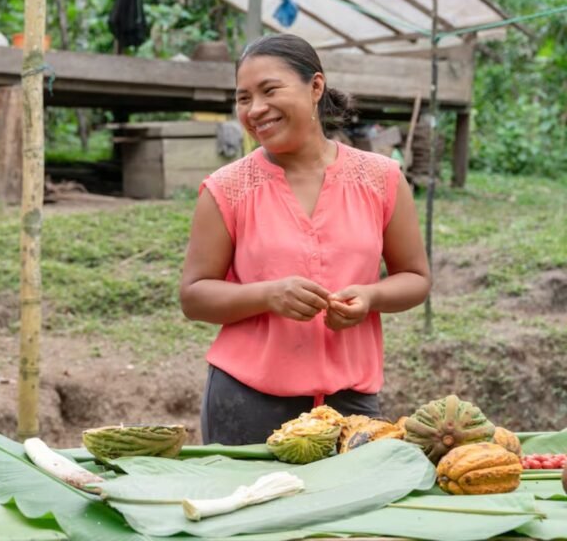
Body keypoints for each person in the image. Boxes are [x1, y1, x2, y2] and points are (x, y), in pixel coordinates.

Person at [179, 34, 431, 446]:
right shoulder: (226, 188)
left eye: (269, 90)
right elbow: (193, 296)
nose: (255, 109)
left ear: (315, 87)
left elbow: (415, 278)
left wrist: (371, 296)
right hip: (246, 402)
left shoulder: (382, 179)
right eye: (243, 98)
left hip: (352, 404)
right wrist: (268, 295)